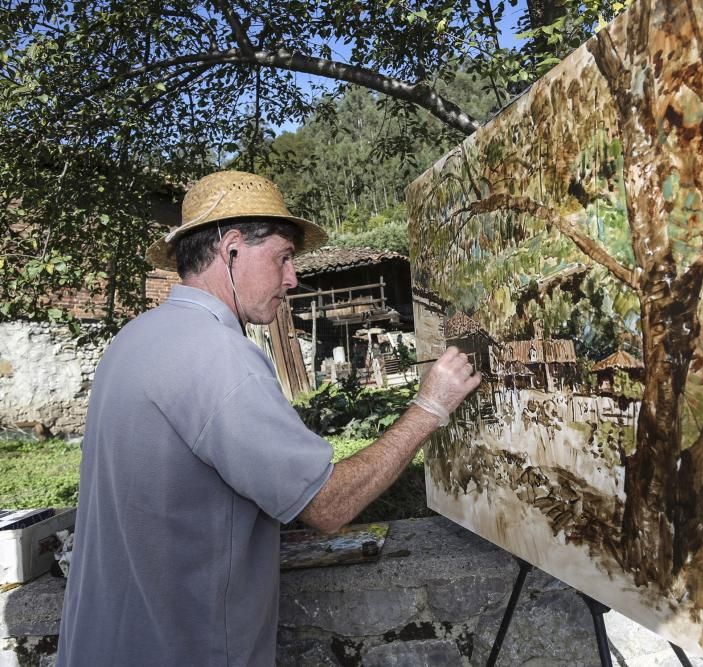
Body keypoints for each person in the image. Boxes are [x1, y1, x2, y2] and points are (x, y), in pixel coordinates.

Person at [55, 171, 480, 666]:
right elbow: (326, 506)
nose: (293, 278)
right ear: (232, 249)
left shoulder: (135, 338)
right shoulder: (216, 352)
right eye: (283, 257)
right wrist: (429, 407)